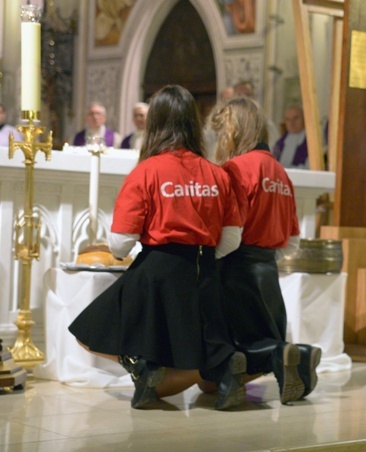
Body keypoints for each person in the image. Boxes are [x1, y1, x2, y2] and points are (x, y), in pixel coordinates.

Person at [69, 85, 246, 410]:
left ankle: (143, 366)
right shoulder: (218, 175)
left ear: (155, 124)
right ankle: (224, 370)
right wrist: (200, 256)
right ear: (193, 122)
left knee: (89, 328)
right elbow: (232, 238)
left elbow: (121, 243)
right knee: (199, 339)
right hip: (203, 271)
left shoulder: (146, 172)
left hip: (158, 271)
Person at [208, 97, 321, 404]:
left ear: (233, 130)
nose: (220, 140)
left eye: (222, 132)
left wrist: (209, 261)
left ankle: (285, 357)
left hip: (237, 268)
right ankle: (295, 357)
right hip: (267, 271)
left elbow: (229, 232)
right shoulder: (280, 172)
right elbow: (292, 241)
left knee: (241, 342)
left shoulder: (235, 168)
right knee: (262, 336)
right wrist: (265, 257)